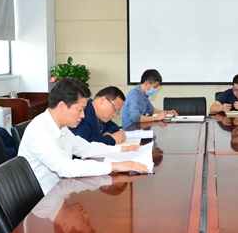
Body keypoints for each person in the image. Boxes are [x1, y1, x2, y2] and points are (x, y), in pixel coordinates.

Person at [19, 78, 148, 195]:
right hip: (43, 203)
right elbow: (66, 167)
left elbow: (85, 148)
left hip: (60, 192)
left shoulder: (62, 127)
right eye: (80, 110)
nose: (83, 115)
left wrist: (121, 150)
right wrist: (115, 166)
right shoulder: (39, 131)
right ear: (62, 106)